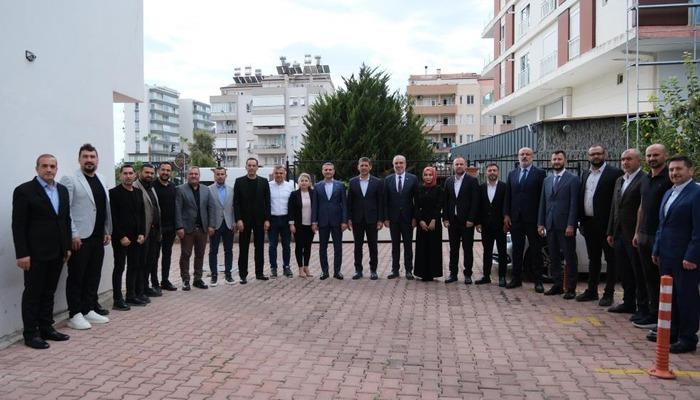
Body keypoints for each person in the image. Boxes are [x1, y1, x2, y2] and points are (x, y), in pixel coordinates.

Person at [12, 154, 72, 349]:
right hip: (35, 253)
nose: (49, 169)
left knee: (49, 292)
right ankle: (31, 334)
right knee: (33, 293)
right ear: (37, 168)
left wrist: (66, 247)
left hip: (58, 252)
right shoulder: (24, 191)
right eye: (45, 166)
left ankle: (47, 328)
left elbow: (65, 220)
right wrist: (22, 253)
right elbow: (18, 225)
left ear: (56, 169)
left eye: (52, 166)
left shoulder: (62, 190)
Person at [60, 144, 112, 331]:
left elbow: (102, 207)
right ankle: (74, 314)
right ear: (79, 159)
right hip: (80, 237)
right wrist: (73, 233)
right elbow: (66, 210)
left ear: (97, 159)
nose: (89, 160)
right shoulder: (70, 180)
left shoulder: (101, 178)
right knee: (77, 276)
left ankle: (88, 308)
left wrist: (106, 230)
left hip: (98, 236)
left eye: (92, 156)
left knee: (93, 275)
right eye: (85, 156)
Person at [651, 155, 699, 354]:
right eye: (671, 170)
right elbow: (662, 225)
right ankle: (672, 332)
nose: (674, 173)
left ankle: (688, 338)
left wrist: (692, 256)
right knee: (669, 297)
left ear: (690, 171)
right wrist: (656, 249)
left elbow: (698, 229)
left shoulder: (696, 193)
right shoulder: (669, 193)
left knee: (686, 297)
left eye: (679, 169)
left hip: (685, 258)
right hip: (666, 255)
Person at [576, 145, 623, 304]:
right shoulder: (585, 174)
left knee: (611, 259)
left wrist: (613, 227)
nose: (595, 156)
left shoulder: (615, 173)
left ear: (604, 154)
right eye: (592, 154)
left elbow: (617, 201)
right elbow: (582, 197)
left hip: (606, 225)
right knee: (593, 258)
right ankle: (592, 291)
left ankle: (608, 293)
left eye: (598, 153)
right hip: (588, 223)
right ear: (588, 156)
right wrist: (581, 222)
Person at [632, 144, 672, 330]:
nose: (652, 159)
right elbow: (641, 207)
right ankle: (651, 312)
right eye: (649, 155)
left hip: (661, 237)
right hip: (644, 235)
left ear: (665, 156)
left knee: (662, 278)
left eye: (656, 155)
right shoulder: (646, 179)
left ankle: (663, 318)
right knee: (647, 277)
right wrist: (637, 232)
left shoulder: (670, 179)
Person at [606, 149, 647, 317]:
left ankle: (643, 307)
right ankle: (628, 302)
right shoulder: (620, 180)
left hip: (634, 235)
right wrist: (610, 231)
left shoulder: (644, 179)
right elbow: (614, 207)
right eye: (623, 159)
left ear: (639, 160)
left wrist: (638, 232)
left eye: (629, 159)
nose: (625, 162)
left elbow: (644, 209)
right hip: (619, 234)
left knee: (638, 272)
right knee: (624, 271)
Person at [538, 150, 580, 299]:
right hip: (550, 225)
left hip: (565, 226)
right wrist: (540, 223)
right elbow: (543, 202)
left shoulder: (573, 179)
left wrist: (571, 225)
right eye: (554, 159)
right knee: (553, 257)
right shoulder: (547, 180)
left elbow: (574, 204)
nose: (556, 162)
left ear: (565, 161)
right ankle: (557, 285)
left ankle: (571, 288)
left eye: (559, 159)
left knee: (569, 257)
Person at [504, 147, 546, 292]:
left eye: (527, 154)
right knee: (517, 250)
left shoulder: (540, 174)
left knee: (536, 251)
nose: (524, 156)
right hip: (516, 219)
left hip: (533, 220)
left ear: (532, 157)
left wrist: (541, 219)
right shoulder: (512, 174)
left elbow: (543, 197)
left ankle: (538, 281)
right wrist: (506, 214)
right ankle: (516, 279)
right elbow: (508, 196)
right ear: (518, 156)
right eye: (522, 154)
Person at [109, 164, 145, 309]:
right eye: (125, 173)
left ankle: (131, 296)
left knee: (134, 266)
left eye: (130, 173)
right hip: (121, 238)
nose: (128, 176)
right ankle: (117, 299)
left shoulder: (138, 192)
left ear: (135, 175)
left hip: (136, 237)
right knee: (119, 267)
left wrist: (142, 233)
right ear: (120, 175)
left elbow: (141, 215)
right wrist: (121, 236)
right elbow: (113, 217)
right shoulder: (113, 193)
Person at [442, 156, 479, 284]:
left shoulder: (472, 181)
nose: (458, 166)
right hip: (453, 221)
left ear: (465, 166)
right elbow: (445, 201)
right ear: (453, 166)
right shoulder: (448, 181)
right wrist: (445, 218)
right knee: (453, 249)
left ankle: (468, 274)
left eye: (461, 164)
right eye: (456, 164)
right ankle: (453, 274)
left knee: (467, 249)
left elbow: (475, 202)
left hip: (467, 222)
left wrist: (471, 219)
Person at [234, 158, 271, 283]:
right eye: (249, 165)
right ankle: (243, 275)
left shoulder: (264, 182)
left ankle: (259, 273)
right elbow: (236, 203)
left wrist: (267, 219)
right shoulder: (239, 182)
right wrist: (238, 219)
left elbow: (267, 202)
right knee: (243, 248)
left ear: (257, 167)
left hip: (260, 220)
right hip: (244, 221)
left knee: (259, 248)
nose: (251, 167)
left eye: (253, 165)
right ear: (246, 167)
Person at [175, 166, 212, 290]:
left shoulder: (206, 190)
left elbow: (210, 208)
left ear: (199, 176)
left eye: (196, 174)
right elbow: (177, 209)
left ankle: (198, 279)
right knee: (186, 254)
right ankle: (185, 280)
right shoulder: (180, 189)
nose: (193, 176)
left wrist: (211, 225)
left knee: (200, 254)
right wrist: (179, 227)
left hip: (202, 228)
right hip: (187, 229)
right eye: (191, 174)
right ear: (187, 175)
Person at [347, 157, 384, 280]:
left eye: (366, 165)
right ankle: (358, 270)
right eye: (362, 165)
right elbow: (349, 202)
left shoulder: (377, 182)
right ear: (358, 167)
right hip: (357, 219)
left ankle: (373, 270)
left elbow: (380, 202)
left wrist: (380, 219)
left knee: (373, 246)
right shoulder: (352, 182)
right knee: (357, 246)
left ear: (370, 167)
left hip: (372, 219)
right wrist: (349, 218)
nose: (364, 167)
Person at [383, 155, 418, 280]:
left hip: (408, 219)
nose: (398, 165)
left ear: (405, 164)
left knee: (408, 245)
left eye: (401, 163)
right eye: (396, 163)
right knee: (395, 246)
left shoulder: (413, 179)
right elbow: (385, 201)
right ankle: (395, 270)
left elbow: (416, 200)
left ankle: (409, 270)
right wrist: (386, 218)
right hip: (393, 219)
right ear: (393, 165)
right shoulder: (388, 180)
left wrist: (415, 218)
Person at [312, 162, 348, 280]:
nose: (328, 171)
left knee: (338, 247)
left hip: (337, 221)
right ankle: (324, 271)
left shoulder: (340, 185)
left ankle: (337, 271)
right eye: (326, 170)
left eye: (330, 169)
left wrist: (344, 221)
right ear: (322, 171)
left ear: (334, 171)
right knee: (322, 248)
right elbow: (315, 205)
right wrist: (314, 222)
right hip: (322, 221)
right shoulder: (317, 186)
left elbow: (344, 204)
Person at [133, 163, 161, 301]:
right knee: (141, 262)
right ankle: (138, 290)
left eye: (151, 173)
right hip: (142, 232)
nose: (149, 175)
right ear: (140, 173)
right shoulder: (135, 187)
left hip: (154, 231)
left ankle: (145, 286)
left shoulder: (151, 187)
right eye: (147, 172)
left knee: (150, 260)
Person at [476, 163, 507, 287]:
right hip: (486, 225)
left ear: (498, 172)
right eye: (490, 170)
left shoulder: (504, 187)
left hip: (500, 225)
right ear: (486, 173)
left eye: (494, 170)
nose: (492, 172)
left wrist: (506, 220)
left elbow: (507, 205)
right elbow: (478, 206)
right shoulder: (481, 188)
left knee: (502, 251)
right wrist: (478, 222)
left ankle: (502, 277)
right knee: (487, 252)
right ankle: (486, 276)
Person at [414, 166, 444, 282]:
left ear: (434, 176)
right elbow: (416, 206)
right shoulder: (419, 189)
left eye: (430, 175)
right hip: (422, 222)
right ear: (423, 176)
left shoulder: (439, 189)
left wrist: (434, 220)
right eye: (426, 175)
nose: (428, 177)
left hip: (434, 222)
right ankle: (422, 273)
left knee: (434, 247)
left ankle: (433, 272)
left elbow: (439, 205)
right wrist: (420, 221)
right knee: (422, 248)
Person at [207, 167, 235, 286]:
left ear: (225, 176)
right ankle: (214, 275)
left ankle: (228, 274)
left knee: (228, 250)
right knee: (213, 251)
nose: (220, 176)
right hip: (214, 225)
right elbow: (206, 209)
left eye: (222, 174)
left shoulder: (231, 190)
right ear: (214, 176)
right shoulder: (208, 190)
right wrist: (209, 225)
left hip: (228, 224)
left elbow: (233, 207)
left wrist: (234, 222)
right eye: (217, 174)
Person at [153, 162, 178, 291]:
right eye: (163, 170)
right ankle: (154, 283)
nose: (165, 173)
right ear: (158, 171)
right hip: (156, 228)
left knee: (167, 255)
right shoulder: (152, 186)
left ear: (171, 173)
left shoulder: (173, 187)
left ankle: (165, 280)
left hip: (170, 228)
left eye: (168, 170)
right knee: (154, 256)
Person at [268, 165, 294, 278]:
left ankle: (286, 267)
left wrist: (292, 221)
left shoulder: (290, 186)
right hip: (272, 219)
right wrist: (266, 220)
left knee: (286, 245)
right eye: (276, 173)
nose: (279, 175)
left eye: (281, 173)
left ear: (285, 174)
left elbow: (293, 205)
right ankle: (273, 268)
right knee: (272, 245)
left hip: (286, 219)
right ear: (273, 174)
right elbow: (266, 204)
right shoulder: (268, 186)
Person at [288, 173, 315, 278]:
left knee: (308, 246)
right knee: (299, 246)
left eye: (306, 181)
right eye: (302, 181)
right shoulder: (294, 194)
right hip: (298, 225)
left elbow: (316, 209)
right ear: (298, 183)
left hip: (310, 225)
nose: (304, 182)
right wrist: (291, 224)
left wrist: (315, 223)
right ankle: (300, 268)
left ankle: (306, 267)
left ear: (309, 183)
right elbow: (290, 210)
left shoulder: (313, 193)